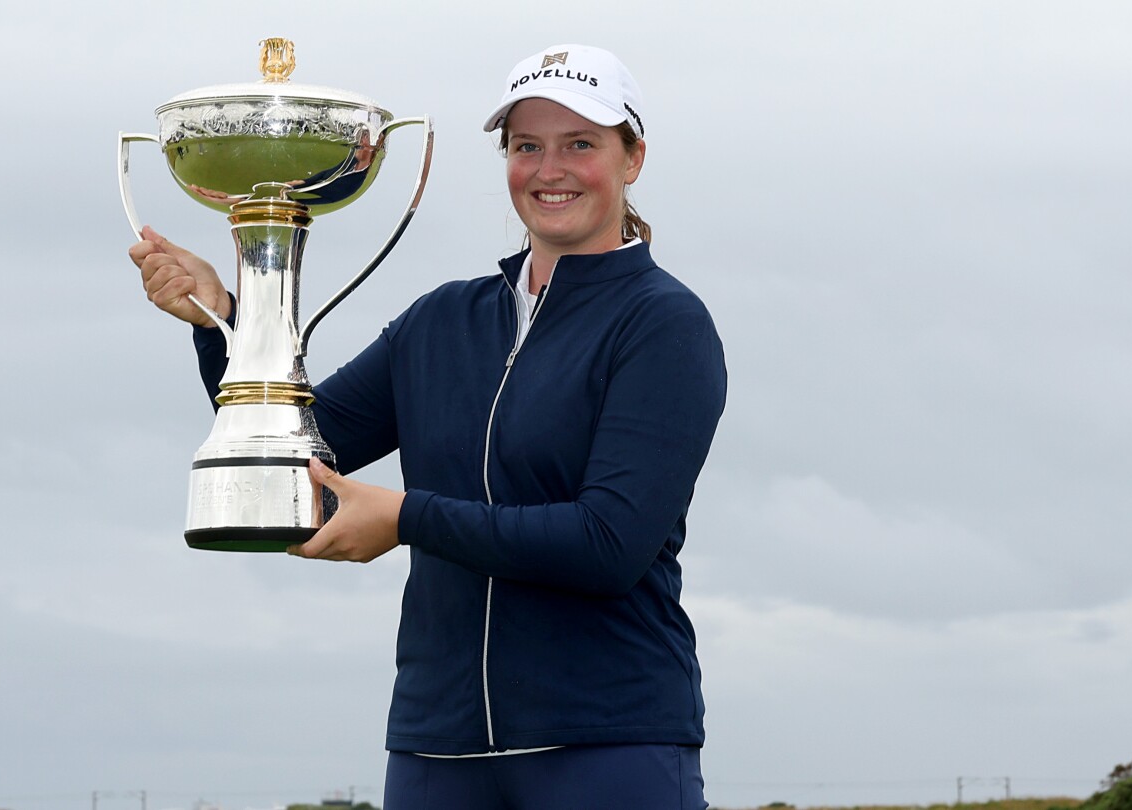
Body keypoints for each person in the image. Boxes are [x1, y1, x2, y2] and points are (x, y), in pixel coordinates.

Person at [130, 43, 726, 810]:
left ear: (632, 157)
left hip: (608, 741)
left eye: (581, 144)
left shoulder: (663, 325)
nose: (551, 169)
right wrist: (223, 322)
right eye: (526, 146)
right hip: (436, 746)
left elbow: (608, 546)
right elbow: (294, 457)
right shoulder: (442, 319)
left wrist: (408, 518)